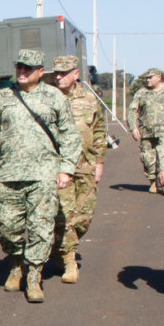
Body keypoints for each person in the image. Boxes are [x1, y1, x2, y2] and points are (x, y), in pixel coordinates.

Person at [0, 49, 82, 303]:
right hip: (10, 175)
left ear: (40, 71)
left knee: (41, 228)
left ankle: (34, 276)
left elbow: (70, 135)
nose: (21, 72)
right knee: (8, 229)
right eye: (19, 67)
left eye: (28, 68)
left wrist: (66, 168)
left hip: (44, 175)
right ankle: (16, 265)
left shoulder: (54, 97)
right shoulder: (5, 97)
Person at [50, 56, 106, 283]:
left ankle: (59, 246)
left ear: (76, 74)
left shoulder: (89, 98)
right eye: (56, 73)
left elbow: (99, 130)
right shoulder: (49, 99)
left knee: (85, 216)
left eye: (64, 73)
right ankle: (69, 261)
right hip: (59, 167)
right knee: (65, 216)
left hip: (86, 164)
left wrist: (99, 162)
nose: (59, 77)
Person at [127, 68, 164, 193]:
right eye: (146, 78)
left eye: (150, 77)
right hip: (147, 131)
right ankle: (153, 181)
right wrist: (133, 127)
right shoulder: (142, 93)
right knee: (148, 159)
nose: (148, 80)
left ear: (159, 77)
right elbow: (133, 110)